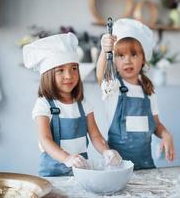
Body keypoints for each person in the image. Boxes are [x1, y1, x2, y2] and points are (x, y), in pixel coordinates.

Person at [23, 33, 122, 176]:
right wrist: (67, 158)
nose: (69, 75)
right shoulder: (44, 105)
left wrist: (106, 151)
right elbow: (45, 140)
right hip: (53, 176)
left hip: (81, 174)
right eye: (60, 70)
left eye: (74, 68)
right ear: (47, 75)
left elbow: (95, 136)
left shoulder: (83, 104)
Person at [96, 18, 175, 170]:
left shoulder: (148, 89)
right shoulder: (114, 86)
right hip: (117, 169)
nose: (128, 61)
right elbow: (101, 75)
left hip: (146, 167)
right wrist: (104, 51)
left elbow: (156, 124)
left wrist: (166, 135)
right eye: (121, 55)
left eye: (134, 54)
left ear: (143, 59)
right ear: (113, 60)